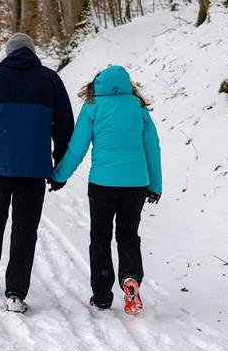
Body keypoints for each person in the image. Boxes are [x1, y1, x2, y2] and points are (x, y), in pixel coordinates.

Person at [0, 33, 74, 313]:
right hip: (34, 170)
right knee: (25, 230)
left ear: (8, 52)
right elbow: (64, 127)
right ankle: (16, 294)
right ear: (32, 52)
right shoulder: (50, 80)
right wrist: (59, 168)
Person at [50, 65, 162, 316]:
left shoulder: (92, 107)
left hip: (103, 184)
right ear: (127, 85)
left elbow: (77, 149)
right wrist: (155, 184)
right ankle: (131, 279)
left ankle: (102, 296)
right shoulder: (138, 108)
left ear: (96, 84)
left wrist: (59, 176)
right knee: (128, 235)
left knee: (100, 238)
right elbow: (152, 147)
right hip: (136, 185)